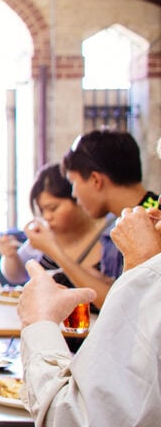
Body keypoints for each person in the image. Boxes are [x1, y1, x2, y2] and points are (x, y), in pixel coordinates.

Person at [16, 137, 161, 427]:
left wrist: (143, 268)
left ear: (95, 179)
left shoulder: (143, 222)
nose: (76, 197)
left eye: (75, 186)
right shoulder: (132, 220)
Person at [60, 130, 159, 307]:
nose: (74, 193)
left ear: (95, 180)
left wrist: (52, 249)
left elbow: (125, 306)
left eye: (73, 182)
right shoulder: (118, 222)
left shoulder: (152, 225)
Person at [0, 164, 110, 292]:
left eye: (53, 208)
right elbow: (17, 275)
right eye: (42, 210)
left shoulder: (109, 236)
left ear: (77, 197)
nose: (47, 216)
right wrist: (9, 255)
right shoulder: (46, 235)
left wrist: (53, 250)